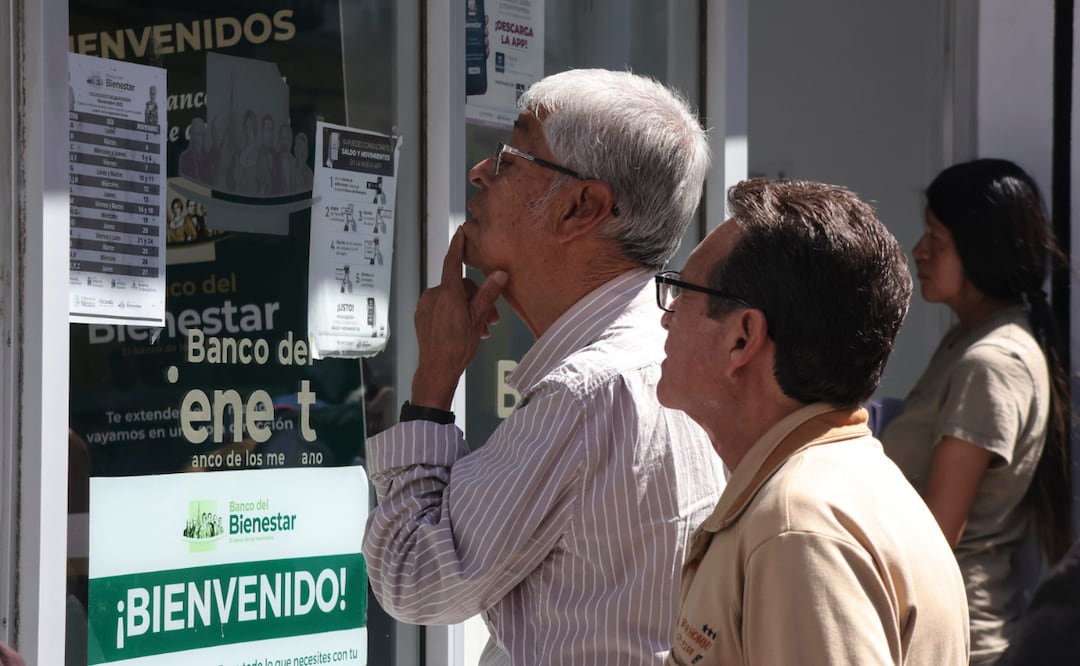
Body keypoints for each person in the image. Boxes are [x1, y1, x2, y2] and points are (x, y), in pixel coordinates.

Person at [362, 69, 726, 665]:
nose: (480, 172)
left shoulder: (586, 392)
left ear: (581, 207)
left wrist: (433, 382)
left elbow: (413, 574)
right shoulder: (674, 352)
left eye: (510, 158)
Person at [659, 178, 969, 665]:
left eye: (680, 290)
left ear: (743, 338)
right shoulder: (824, 491)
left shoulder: (798, 526)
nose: (666, 315)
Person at [879, 158, 1073, 664]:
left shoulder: (991, 362)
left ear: (981, 250)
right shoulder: (970, 339)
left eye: (936, 240)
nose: (918, 251)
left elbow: (939, 531)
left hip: (958, 637)